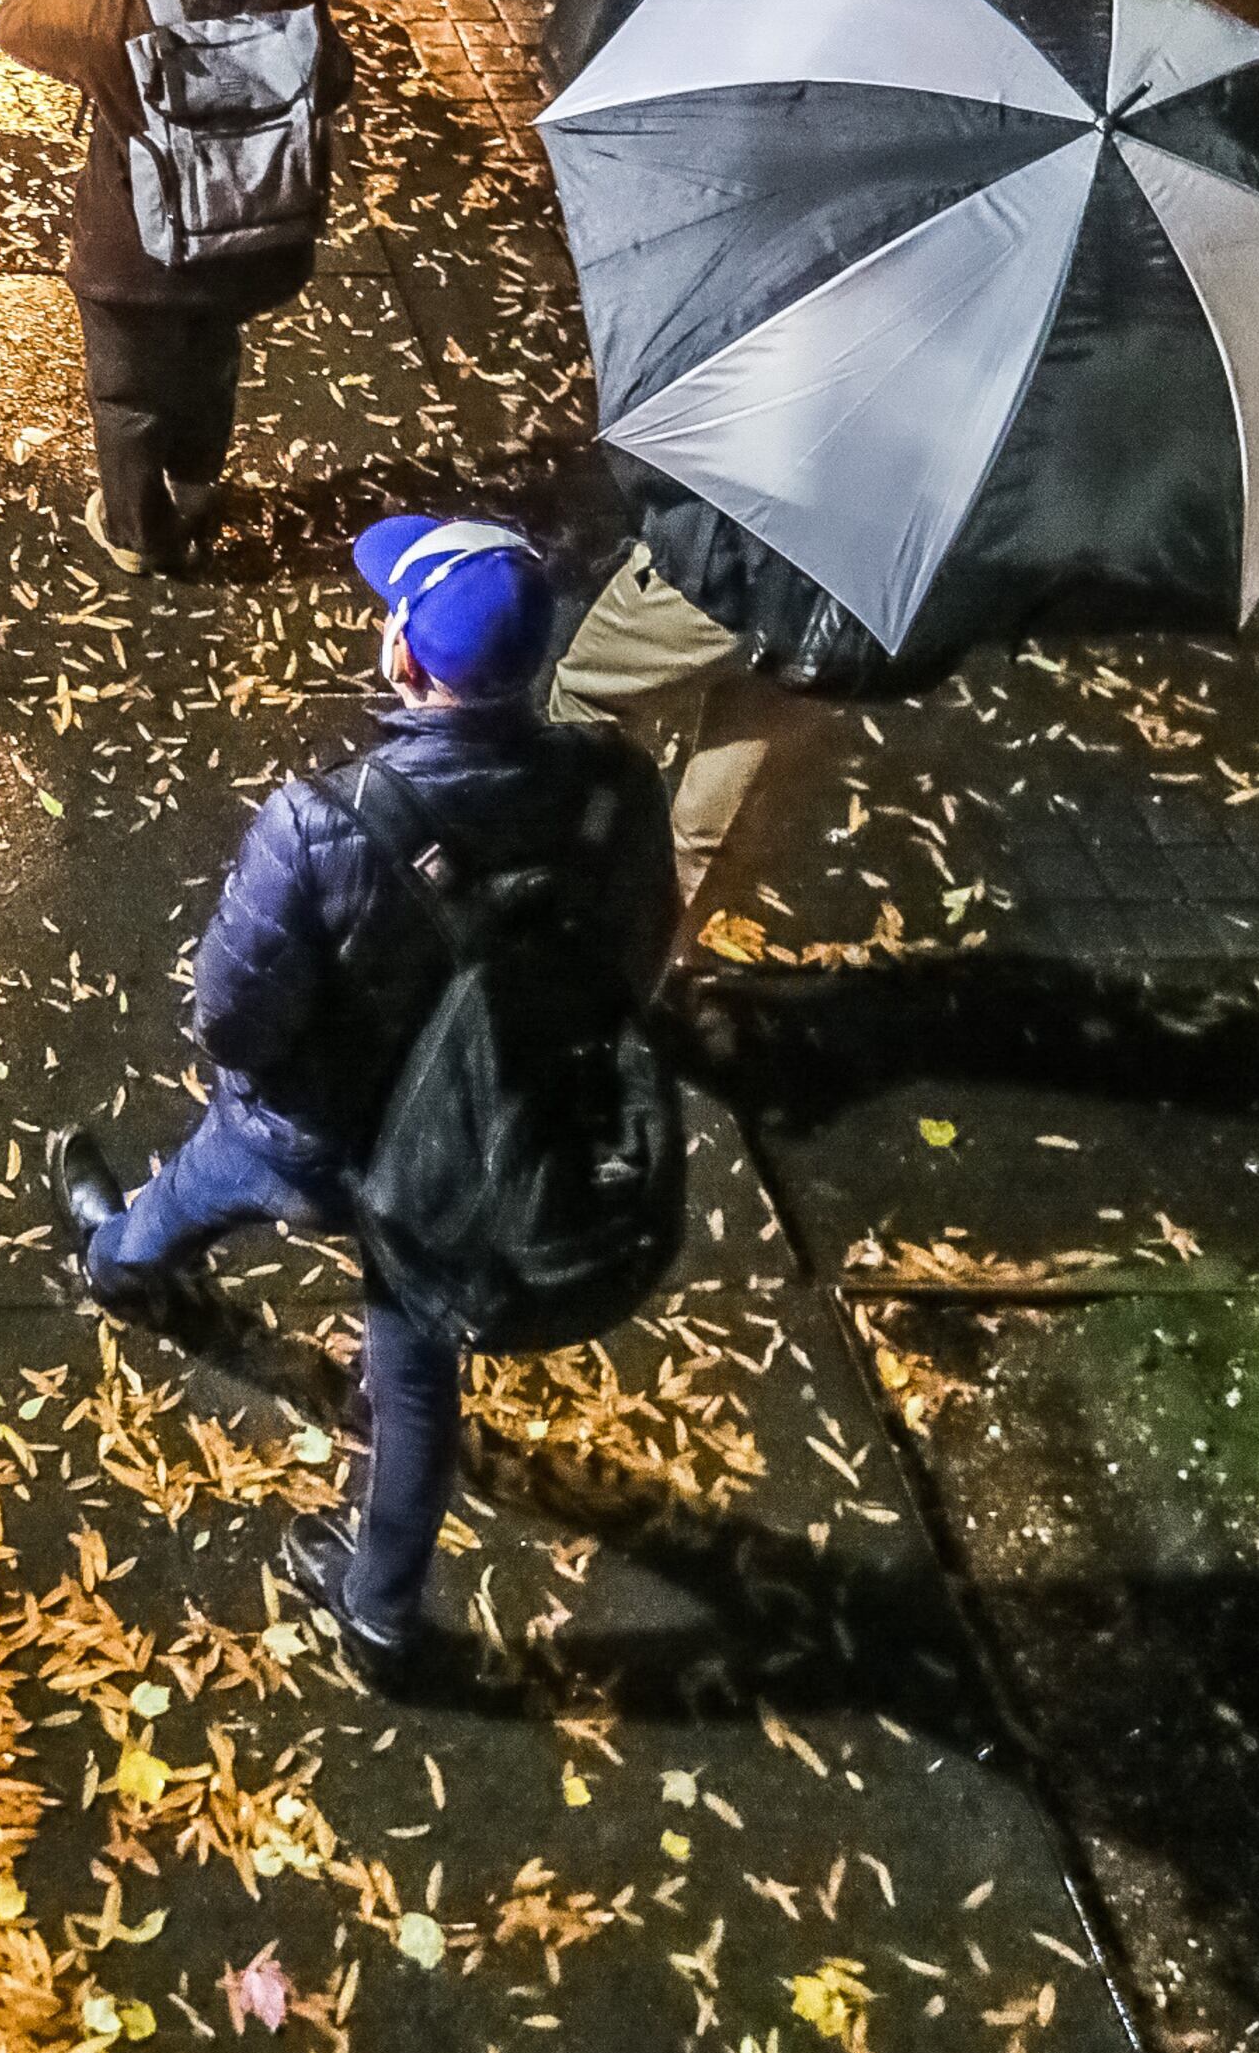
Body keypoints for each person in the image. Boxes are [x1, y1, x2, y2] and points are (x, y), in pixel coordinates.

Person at [50, 515, 677, 1681]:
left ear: (405, 659)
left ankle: (120, 1268)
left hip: (319, 1131)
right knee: (415, 1377)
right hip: (474, 1152)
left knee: (197, 1182)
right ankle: (382, 1611)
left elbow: (232, 1015)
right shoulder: (614, 790)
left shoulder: (322, 821)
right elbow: (637, 957)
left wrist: (262, 1085)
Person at [0, 0, 355, 574]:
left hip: (135, 264)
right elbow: (336, 83)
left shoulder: (117, 12)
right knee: (210, 368)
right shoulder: (297, 11)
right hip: (247, 250)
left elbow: (15, 25)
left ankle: (136, 534)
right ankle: (195, 491)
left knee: (128, 396)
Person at [546, 461, 951, 903]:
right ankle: (659, 939)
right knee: (708, 823)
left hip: (723, 564)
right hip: (838, 610)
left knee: (586, 701)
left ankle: (566, 885)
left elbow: (656, 460)